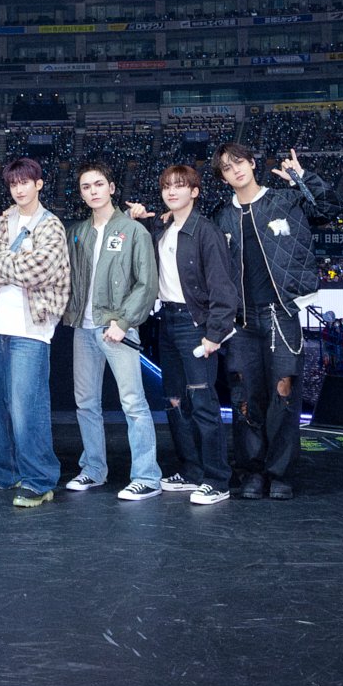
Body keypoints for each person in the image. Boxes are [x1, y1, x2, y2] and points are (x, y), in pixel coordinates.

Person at [213, 141, 330, 500]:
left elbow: (327, 209)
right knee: (245, 398)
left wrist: (303, 178)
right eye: (227, 167)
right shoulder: (222, 216)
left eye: (239, 162)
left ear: (252, 163)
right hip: (242, 322)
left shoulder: (285, 200)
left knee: (284, 397)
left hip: (282, 315)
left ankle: (279, 474)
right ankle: (251, 472)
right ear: (223, 177)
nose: (235, 170)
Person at [0, 157, 71, 508]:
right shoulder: (1, 223)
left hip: (32, 329)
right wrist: (15, 265)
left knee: (28, 408)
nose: (19, 189)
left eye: (25, 182)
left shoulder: (51, 225)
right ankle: (0, 471)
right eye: (13, 184)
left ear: (38, 184)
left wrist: (2, 264)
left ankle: (39, 479)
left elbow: (40, 270)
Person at [132, 163, 238, 505]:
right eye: (167, 186)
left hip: (196, 325)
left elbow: (223, 288)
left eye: (180, 185)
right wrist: (140, 219)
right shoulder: (163, 229)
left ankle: (217, 479)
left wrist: (214, 334)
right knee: (175, 401)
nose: (172, 191)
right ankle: (192, 471)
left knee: (203, 402)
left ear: (194, 192)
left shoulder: (206, 232)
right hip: (167, 321)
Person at [63, 161, 162, 501]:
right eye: (86, 186)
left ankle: (147, 476)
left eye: (98, 184)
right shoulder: (77, 232)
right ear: (81, 193)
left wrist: (124, 322)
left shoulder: (133, 231)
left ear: (111, 188)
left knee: (133, 403)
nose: (93, 191)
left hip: (117, 328)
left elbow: (146, 284)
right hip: (83, 328)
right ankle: (93, 469)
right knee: (86, 404)